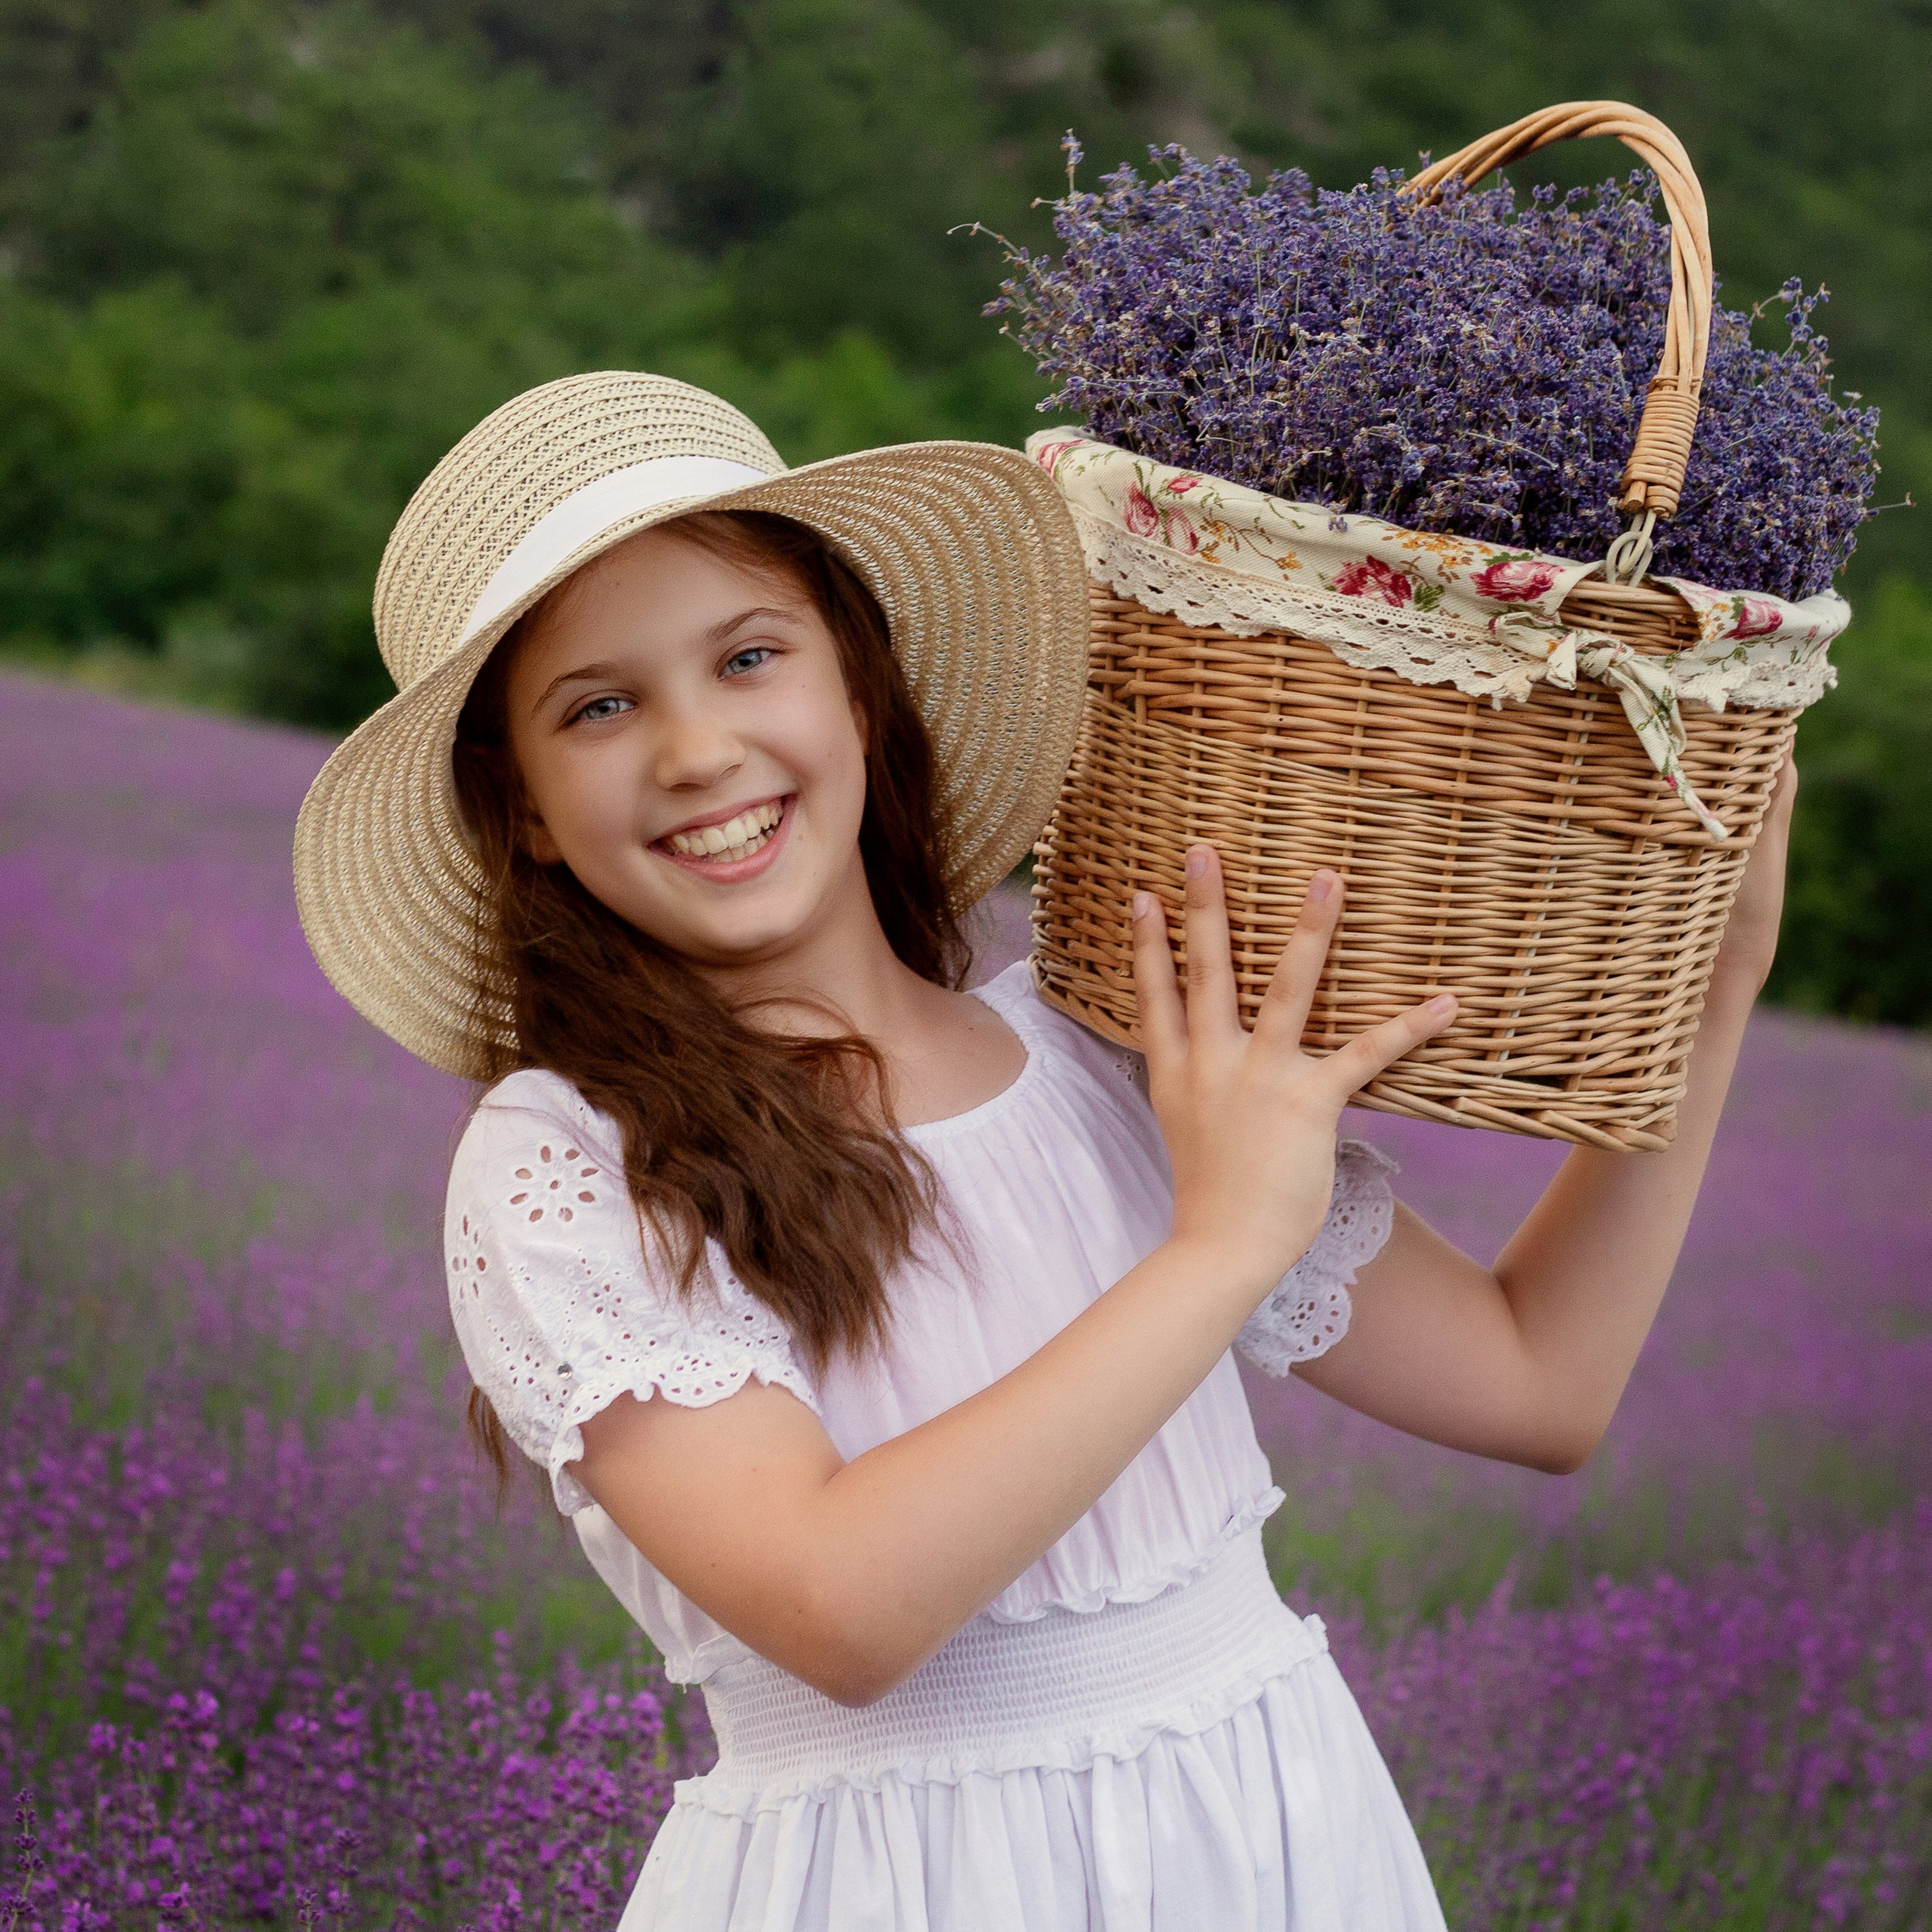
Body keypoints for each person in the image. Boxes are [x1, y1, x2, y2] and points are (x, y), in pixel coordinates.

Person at [294, 370, 1795, 1932]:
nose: (695, 749)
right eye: (597, 707)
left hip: (1271, 1851)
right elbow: (838, 1605)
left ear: (856, 689)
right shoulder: (570, 1161)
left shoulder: (1101, 1044)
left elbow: (1536, 1382)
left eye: (747, 658)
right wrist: (1219, 1247)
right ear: (529, 812)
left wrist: (1718, 989)